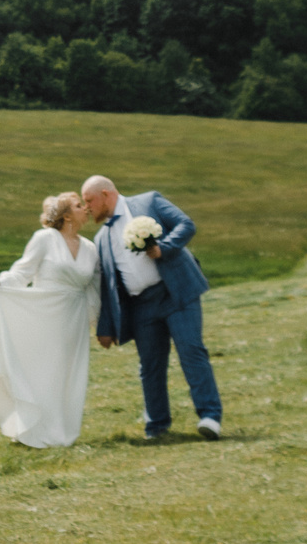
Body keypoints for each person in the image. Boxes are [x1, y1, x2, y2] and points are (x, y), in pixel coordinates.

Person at [84, 174, 223, 441]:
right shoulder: (101, 238)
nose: (87, 207)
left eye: (89, 200)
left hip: (176, 292)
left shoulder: (149, 202)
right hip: (141, 307)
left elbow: (186, 224)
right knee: (150, 366)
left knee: (191, 352)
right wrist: (105, 327)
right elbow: (108, 287)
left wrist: (165, 248)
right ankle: (156, 426)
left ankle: (210, 417)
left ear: (106, 194)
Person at [0, 190, 99, 447]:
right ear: (67, 216)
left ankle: (62, 431)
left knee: (68, 375)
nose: (86, 209)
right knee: (43, 372)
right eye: (79, 205)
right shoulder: (45, 238)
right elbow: (23, 271)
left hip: (74, 321)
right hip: (44, 315)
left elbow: (93, 288)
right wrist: (2, 282)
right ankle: (34, 430)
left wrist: (99, 323)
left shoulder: (90, 248)